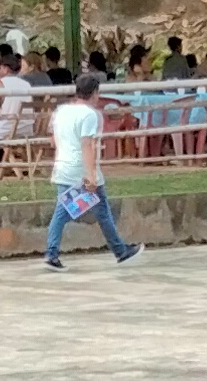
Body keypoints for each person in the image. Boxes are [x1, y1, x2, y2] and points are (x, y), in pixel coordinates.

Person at [44, 70, 138, 269]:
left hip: (63, 167)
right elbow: (88, 145)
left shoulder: (60, 111)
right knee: (67, 212)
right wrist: (91, 175)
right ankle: (52, 253)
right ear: (95, 93)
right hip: (80, 171)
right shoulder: (91, 115)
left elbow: (53, 140)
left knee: (93, 210)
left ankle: (119, 249)